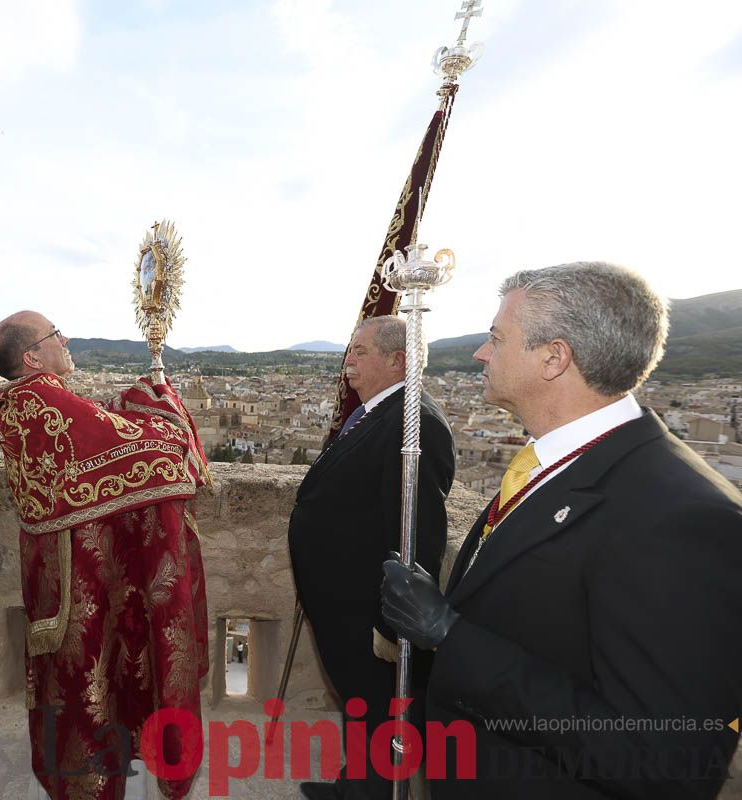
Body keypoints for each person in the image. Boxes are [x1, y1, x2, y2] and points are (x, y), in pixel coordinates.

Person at [381, 262, 742, 798]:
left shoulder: (682, 517)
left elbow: (665, 758)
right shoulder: (559, 461)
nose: (481, 353)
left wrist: (453, 639)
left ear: (554, 357)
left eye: (496, 339)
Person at [0, 311, 210, 800]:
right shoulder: (41, 398)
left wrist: (138, 396)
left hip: (56, 566)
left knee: (69, 682)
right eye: (57, 334)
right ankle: (90, 780)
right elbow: (149, 452)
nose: (68, 339)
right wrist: (165, 411)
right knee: (88, 678)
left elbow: (98, 426)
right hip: (80, 576)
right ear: (33, 356)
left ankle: (75, 770)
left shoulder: (20, 401)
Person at [288, 315, 455, 800]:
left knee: (378, 709)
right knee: (360, 705)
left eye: (360, 351)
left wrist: (393, 624)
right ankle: (352, 787)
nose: (349, 361)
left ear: (397, 360)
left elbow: (418, 534)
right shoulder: (379, 413)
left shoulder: (415, 422)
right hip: (343, 604)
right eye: (349, 350)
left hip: (366, 611)